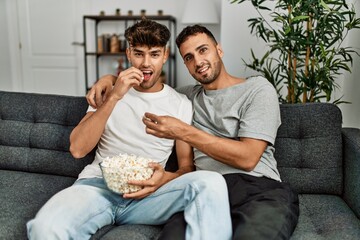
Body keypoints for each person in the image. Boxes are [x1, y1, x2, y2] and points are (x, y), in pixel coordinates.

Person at [88, 24, 300, 240]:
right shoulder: (185, 97)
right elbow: (146, 85)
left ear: (219, 50)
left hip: (257, 189)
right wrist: (109, 80)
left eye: (203, 50)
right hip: (200, 193)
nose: (198, 62)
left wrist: (183, 131)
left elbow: (248, 158)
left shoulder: (257, 89)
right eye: (188, 57)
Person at [26, 20, 232, 240]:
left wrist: (163, 179)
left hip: (150, 196)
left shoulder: (181, 103)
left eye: (154, 54)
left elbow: (186, 167)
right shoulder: (106, 93)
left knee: (210, 182)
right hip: (98, 187)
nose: (145, 63)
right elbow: (77, 148)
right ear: (128, 54)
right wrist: (114, 95)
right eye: (138, 54)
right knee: (44, 228)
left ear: (165, 55)